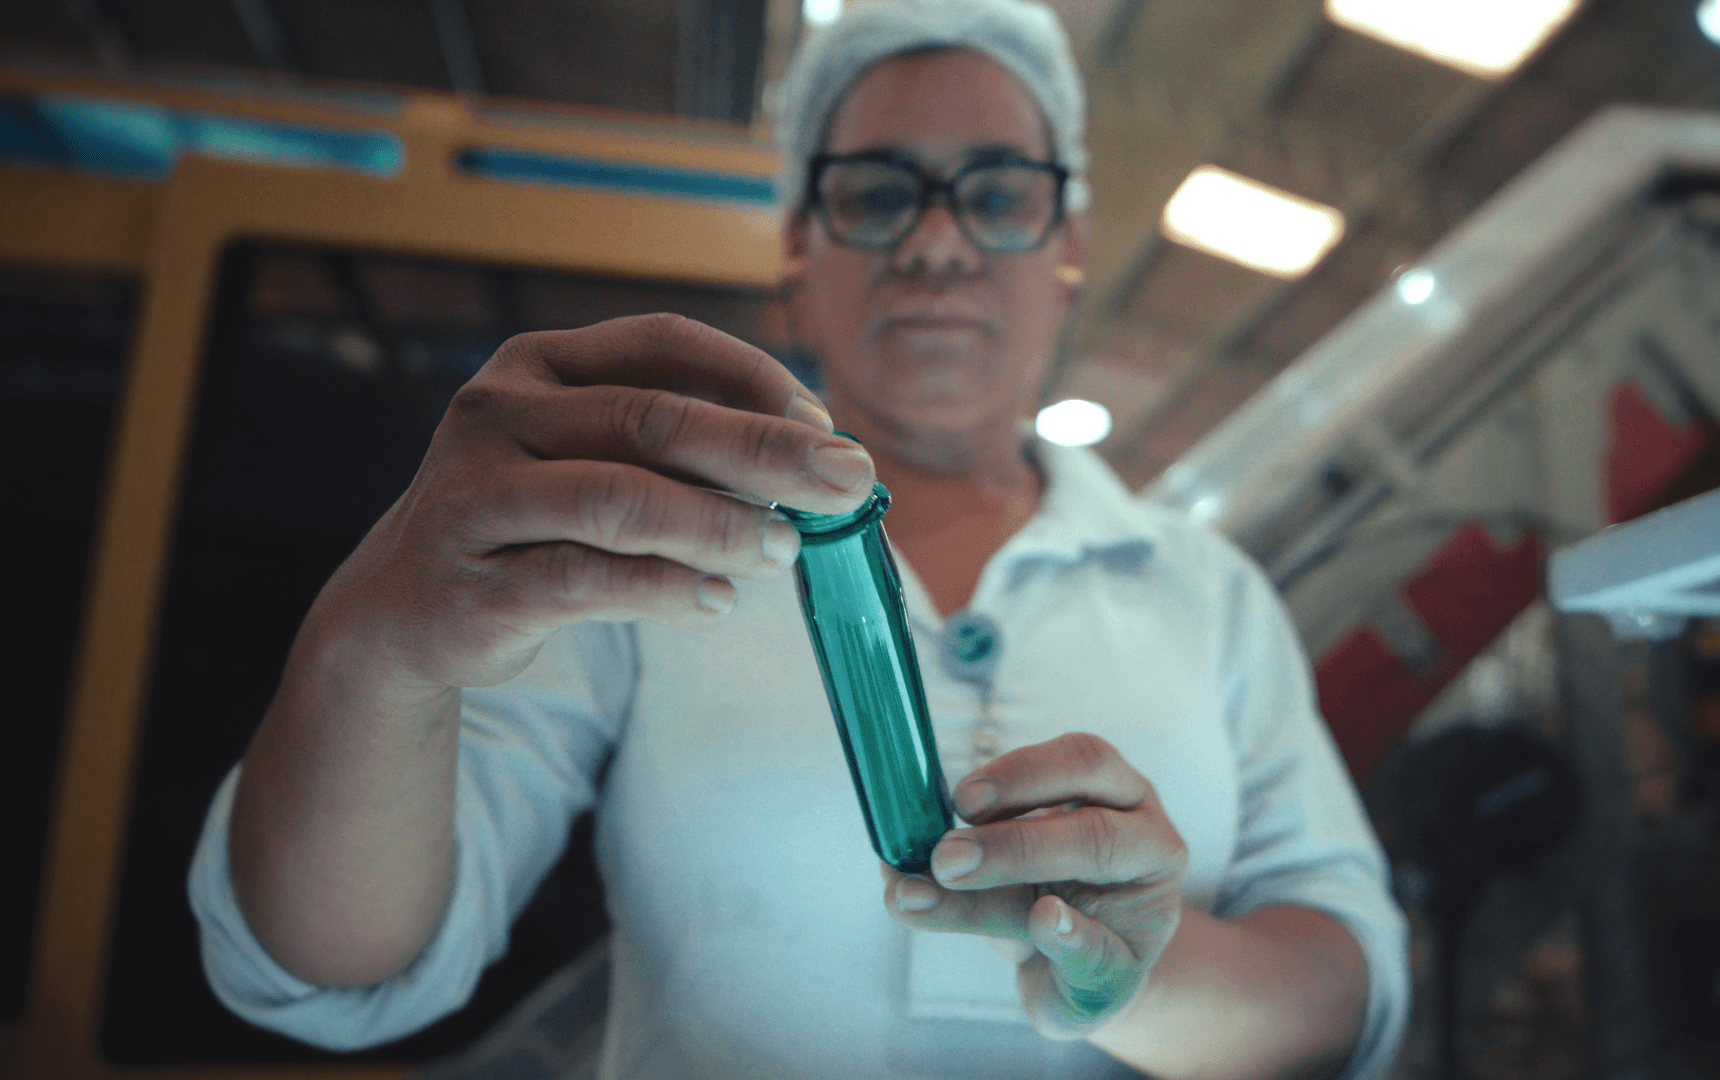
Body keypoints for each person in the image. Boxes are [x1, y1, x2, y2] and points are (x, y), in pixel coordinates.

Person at [187, 1, 1410, 1077]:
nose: (936, 242)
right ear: (797, 249)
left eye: (997, 195)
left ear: (1069, 249)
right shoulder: (637, 551)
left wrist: (1142, 972)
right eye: (876, 194)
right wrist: (374, 653)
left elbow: (1346, 986)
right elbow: (333, 963)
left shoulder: (1207, 593)